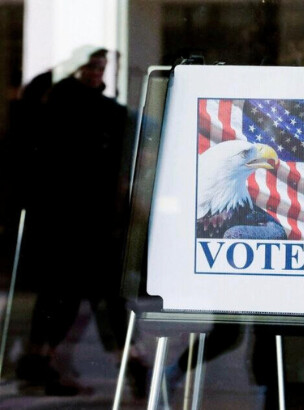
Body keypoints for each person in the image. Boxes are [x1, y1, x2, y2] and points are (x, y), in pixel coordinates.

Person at [15, 47, 145, 397]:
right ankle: (132, 366)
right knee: (92, 295)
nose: (96, 74)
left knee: (69, 294)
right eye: (91, 66)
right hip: (80, 220)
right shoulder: (76, 105)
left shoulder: (60, 102)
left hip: (75, 219)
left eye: (100, 67)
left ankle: (42, 364)